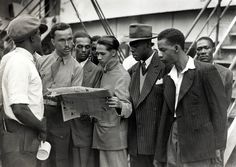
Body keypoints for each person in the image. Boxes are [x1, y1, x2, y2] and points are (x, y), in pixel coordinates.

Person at [154, 28, 228, 167]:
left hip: (199, 143)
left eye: (163, 50)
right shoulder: (168, 73)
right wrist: (160, 152)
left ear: (176, 48)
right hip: (173, 137)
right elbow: (166, 113)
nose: (159, 54)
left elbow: (219, 111)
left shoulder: (205, 71)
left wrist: (218, 147)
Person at [0, 14, 47, 167]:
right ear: (33, 37)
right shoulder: (19, 63)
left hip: (21, 131)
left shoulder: (12, 58)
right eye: (39, 34)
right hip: (22, 132)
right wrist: (41, 127)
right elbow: (19, 108)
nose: (41, 38)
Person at [37, 22, 83, 167]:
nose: (68, 44)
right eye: (62, 40)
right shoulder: (41, 62)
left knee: (60, 160)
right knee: (39, 159)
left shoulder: (76, 68)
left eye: (69, 39)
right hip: (39, 115)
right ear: (53, 42)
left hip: (60, 118)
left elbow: (74, 102)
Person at [127, 24, 166, 167]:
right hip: (136, 145)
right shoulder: (132, 71)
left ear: (148, 44)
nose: (131, 48)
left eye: (135, 44)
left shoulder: (164, 67)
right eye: (130, 43)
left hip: (156, 145)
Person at [92, 35, 131, 167]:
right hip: (103, 133)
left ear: (113, 53)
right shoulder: (104, 71)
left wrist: (120, 105)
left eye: (102, 54)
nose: (99, 57)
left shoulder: (121, 75)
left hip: (114, 137)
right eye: (97, 53)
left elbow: (127, 107)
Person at [72, 31, 102, 167]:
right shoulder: (64, 66)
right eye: (80, 46)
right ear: (73, 46)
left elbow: (95, 101)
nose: (84, 50)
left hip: (83, 127)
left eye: (87, 47)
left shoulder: (96, 71)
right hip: (62, 127)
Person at [196, 36, 233, 106]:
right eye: (199, 49)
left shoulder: (226, 73)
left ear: (213, 50)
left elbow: (226, 102)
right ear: (196, 52)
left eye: (206, 48)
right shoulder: (190, 71)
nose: (203, 52)